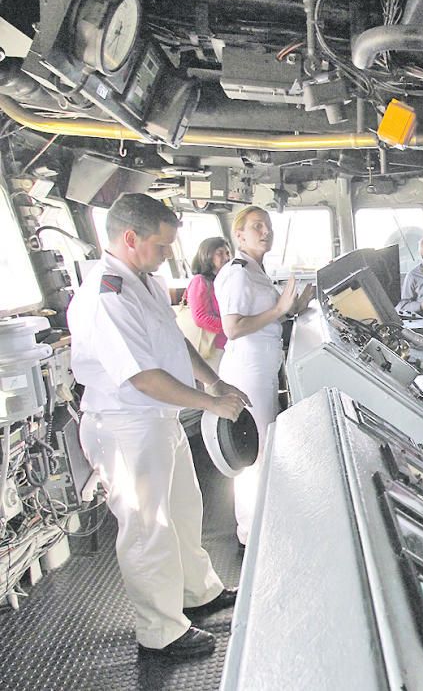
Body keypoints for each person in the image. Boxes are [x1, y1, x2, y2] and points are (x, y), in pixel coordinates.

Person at [68, 193, 250, 659]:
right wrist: (210, 405)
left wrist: (213, 381)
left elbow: (174, 343)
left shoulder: (143, 280)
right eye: (162, 245)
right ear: (130, 239)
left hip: (156, 418)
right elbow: (143, 377)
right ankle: (160, 631)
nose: (168, 254)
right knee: (148, 527)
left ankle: (198, 593)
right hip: (126, 424)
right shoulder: (106, 294)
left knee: (185, 511)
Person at [215, 206, 314, 547]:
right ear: (239, 235)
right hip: (247, 371)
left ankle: (258, 527)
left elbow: (269, 317)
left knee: (261, 450)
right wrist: (279, 310)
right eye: (257, 226)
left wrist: (296, 306)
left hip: (263, 368)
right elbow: (233, 327)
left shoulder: (257, 272)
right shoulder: (238, 273)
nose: (266, 231)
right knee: (252, 455)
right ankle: (251, 536)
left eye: (268, 226)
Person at [185, 237, 231, 370]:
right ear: (207, 256)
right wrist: (231, 326)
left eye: (227, 253)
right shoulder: (200, 281)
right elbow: (201, 318)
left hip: (227, 344)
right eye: (220, 253)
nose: (226, 257)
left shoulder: (223, 281)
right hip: (213, 347)